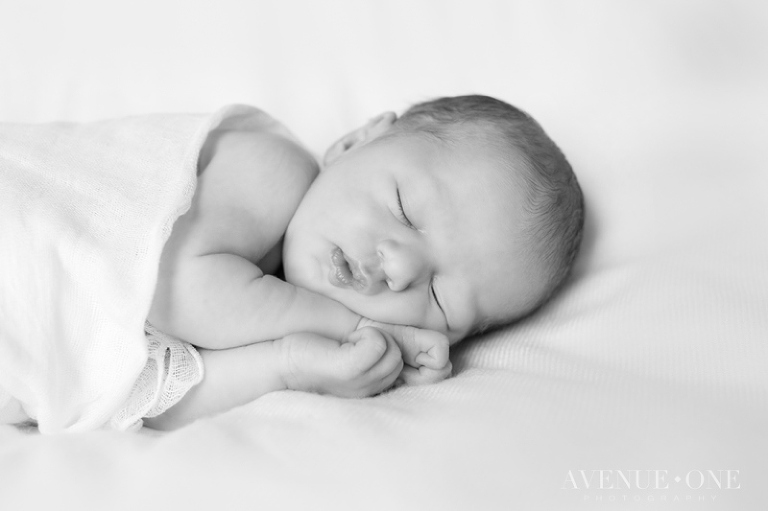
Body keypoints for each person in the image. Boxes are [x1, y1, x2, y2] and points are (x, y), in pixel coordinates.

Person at [142, 95, 584, 430]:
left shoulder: (263, 316)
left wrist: (291, 365)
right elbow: (173, 291)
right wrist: (352, 330)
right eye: (404, 209)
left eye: (440, 298)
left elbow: (151, 400)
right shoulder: (272, 169)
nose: (401, 269)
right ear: (355, 143)